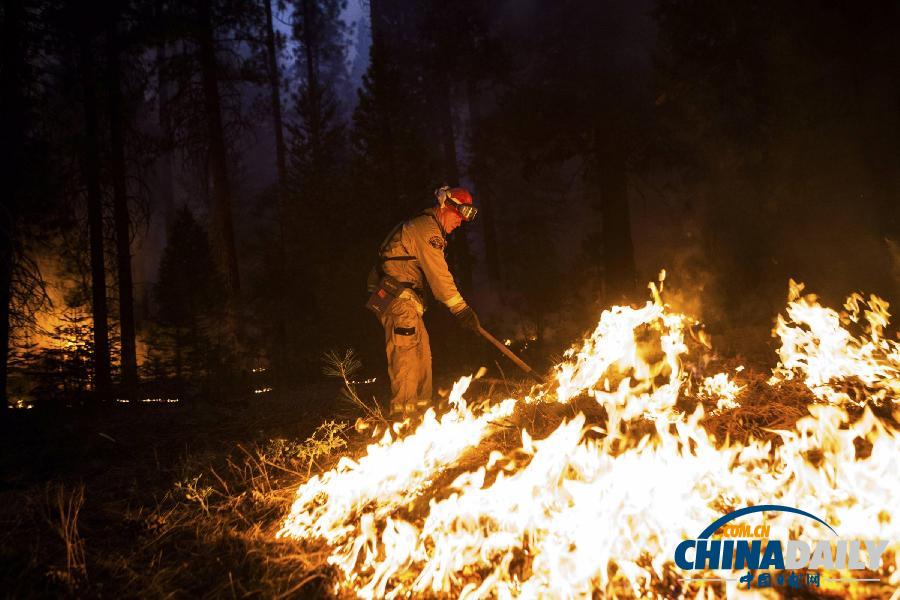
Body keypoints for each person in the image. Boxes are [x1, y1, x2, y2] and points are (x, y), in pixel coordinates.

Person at [367, 186, 480, 417]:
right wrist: (461, 309)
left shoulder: (428, 229)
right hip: (397, 299)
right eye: (457, 216)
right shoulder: (426, 228)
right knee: (406, 353)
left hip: (407, 301)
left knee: (422, 353)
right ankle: (403, 418)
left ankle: (421, 413)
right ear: (445, 206)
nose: (459, 222)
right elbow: (439, 275)